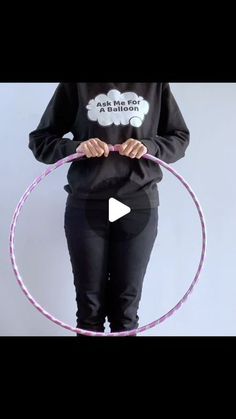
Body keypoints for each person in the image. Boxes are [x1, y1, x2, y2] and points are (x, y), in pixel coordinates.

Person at [29, 83, 190, 335]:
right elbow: (40, 141)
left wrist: (150, 147)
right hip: (87, 203)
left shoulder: (155, 84)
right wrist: (76, 148)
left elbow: (179, 137)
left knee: (125, 310)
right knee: (89, 309)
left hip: (137, 202)